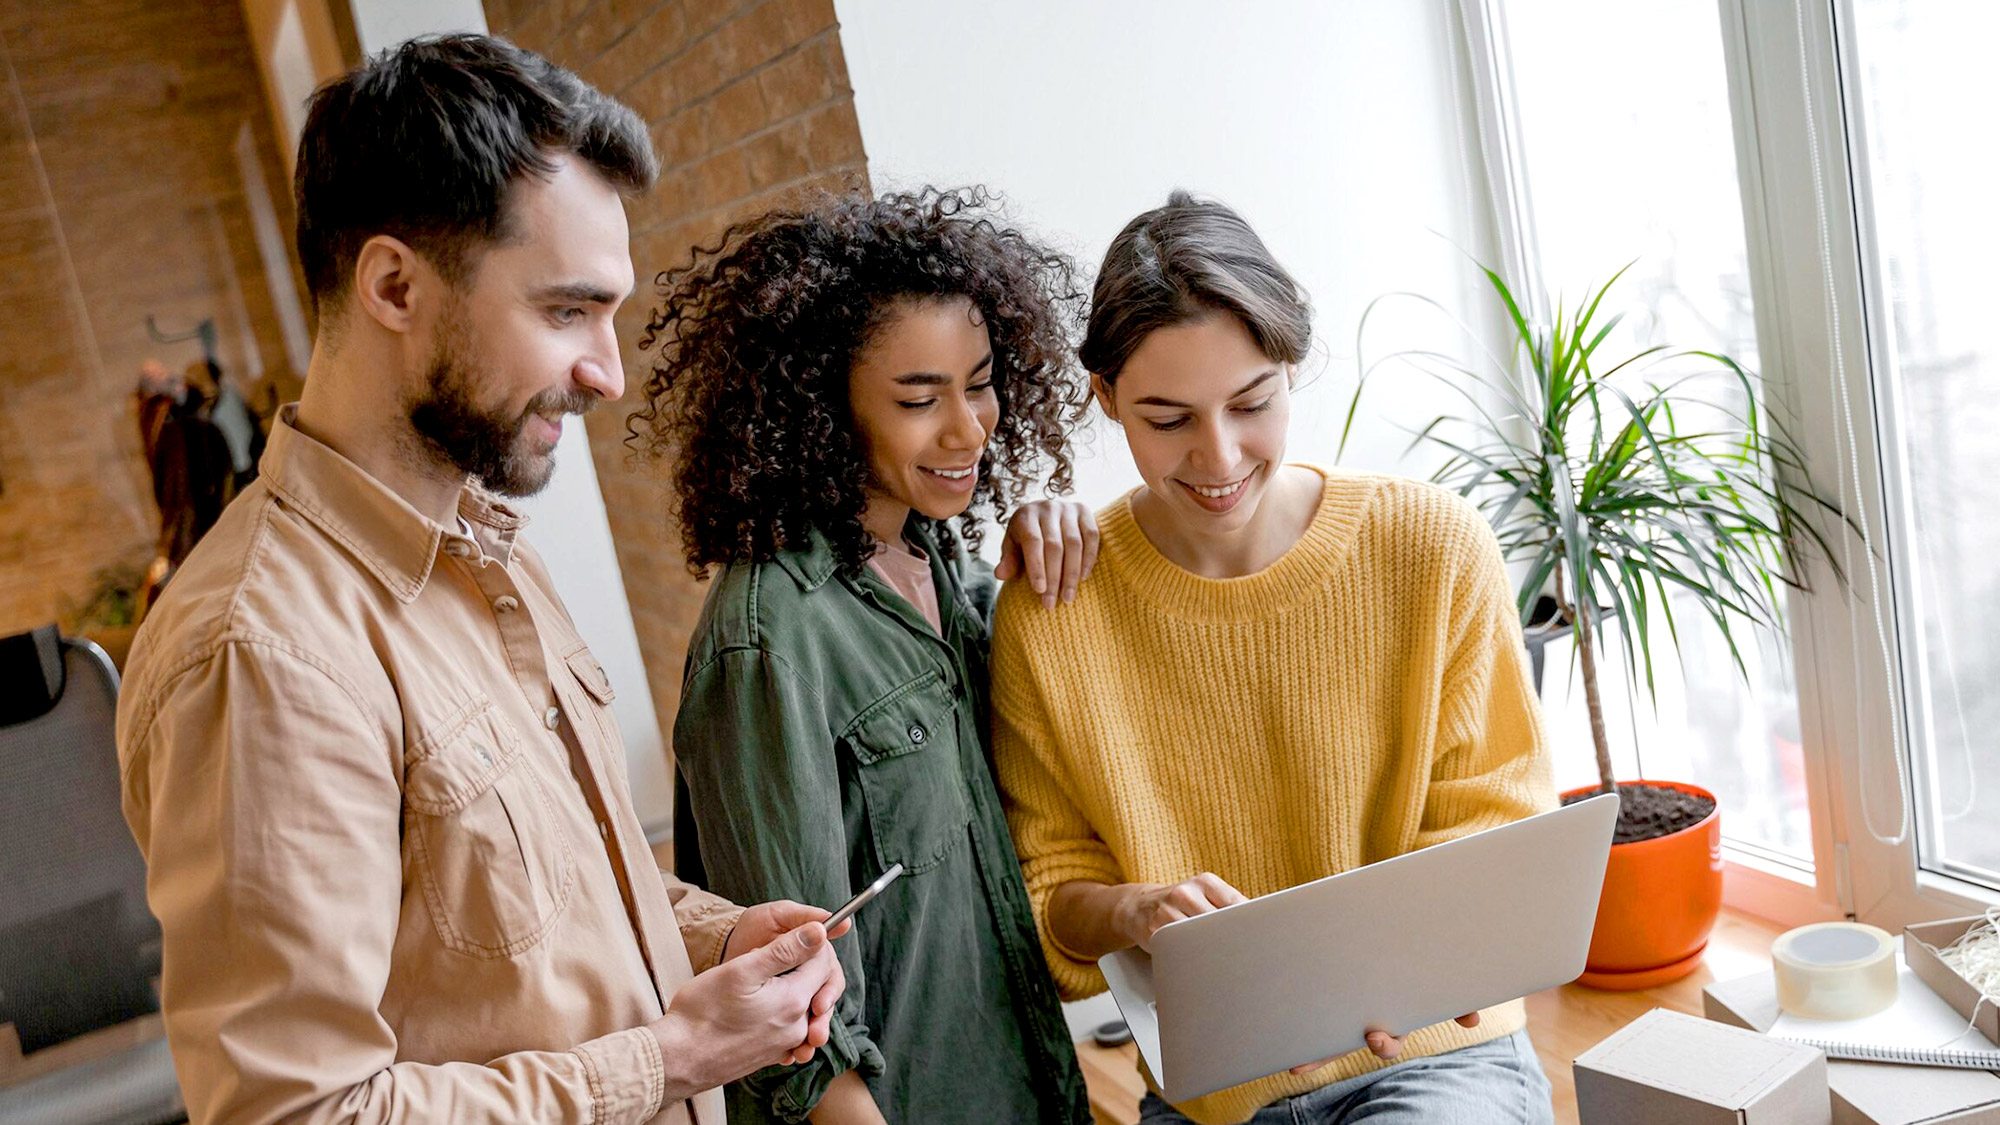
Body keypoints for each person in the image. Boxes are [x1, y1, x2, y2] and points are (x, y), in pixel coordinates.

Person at [116, 35, 850, 1125]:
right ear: (395, 286)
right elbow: (300, 1113)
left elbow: (532, 916)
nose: (607, 369)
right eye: (565, 312)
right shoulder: (259, 655)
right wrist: (670, 1058)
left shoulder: (487, 544)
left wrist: (712, 935)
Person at [991, 192, 1559, 1125]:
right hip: (1213, 1094)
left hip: (1434, 1057)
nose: (1217, 457)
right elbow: (1050, 889)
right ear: (1106, 398)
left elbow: (1496, 819)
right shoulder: (1055, 608)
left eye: (1251, 403)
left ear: (1291, 367)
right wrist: (1135, 910)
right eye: (1166, 419)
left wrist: (1410, 969)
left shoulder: (1431, 546)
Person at [636, 187, 1095, 1125]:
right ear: (822, 403)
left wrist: (1055, 530)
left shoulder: (943, 564)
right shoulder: (769, 640)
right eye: (920, 399)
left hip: (1026, 1081)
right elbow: (788, 1015)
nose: (967, 428)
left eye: (980, 382)